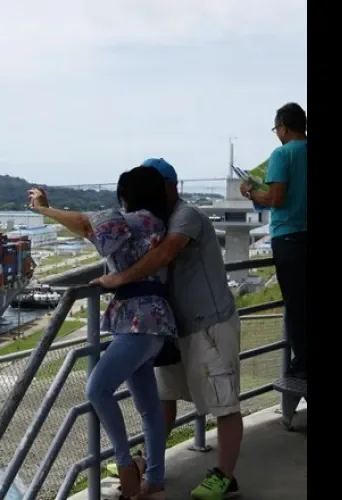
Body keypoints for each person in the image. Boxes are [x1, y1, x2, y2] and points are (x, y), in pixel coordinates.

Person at [95, 158, 243, 500]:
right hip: (174, 328)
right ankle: (149, 465)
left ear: (168, 187)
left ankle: (225, 476)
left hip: (210, 324)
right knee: (162, 401)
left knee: (223, 403)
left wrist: (118, 279)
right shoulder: (154, 221)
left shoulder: (184, 216)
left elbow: (165, 255)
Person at [29, 166, 177, 499]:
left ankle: (126, 465)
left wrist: (41, 209)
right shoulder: (156, 224)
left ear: (126, 195)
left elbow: (86, 225)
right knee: (149, 408)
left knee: (97, 387)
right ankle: (154, 481)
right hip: (152, 323)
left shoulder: (136, 221)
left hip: (138, 321)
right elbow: (90, 228)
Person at [240, 102, 307, 379]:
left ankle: (302, 365)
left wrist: (252, 192)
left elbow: (276, 198)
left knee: (295, 304)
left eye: (276, 128)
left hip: (289, 238)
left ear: (284, 127)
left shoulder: (282, 154)